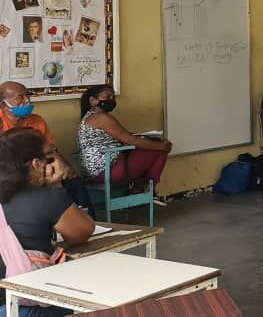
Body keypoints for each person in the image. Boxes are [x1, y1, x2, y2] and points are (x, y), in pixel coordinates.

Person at [0, 128, 95, 316]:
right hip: (21, 307)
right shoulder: (45, 198)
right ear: (37, 164)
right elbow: (82, 232)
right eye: (49, 156)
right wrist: (56, 187)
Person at [0, 81, 94, 217]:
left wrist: (64, 165)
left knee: (73, 181)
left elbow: (50, 149)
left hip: (38, 167)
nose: (27, 100)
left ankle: (89, 220)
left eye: (28, 96)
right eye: (20, 97)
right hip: (11, 172)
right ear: (3, 104)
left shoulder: (36, 120)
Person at [77, 85, 172, 202]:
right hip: (107, 172)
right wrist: (161, 146)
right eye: (107, 97)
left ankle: (140, 189)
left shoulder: (89, 118)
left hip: (97, 172)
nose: (112, 100)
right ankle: (145, 189)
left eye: (113, 97)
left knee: (151, 146)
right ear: (93, 100)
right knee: (159, 149)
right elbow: (131, 140)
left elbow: (123, 136)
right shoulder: (101, 118)